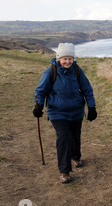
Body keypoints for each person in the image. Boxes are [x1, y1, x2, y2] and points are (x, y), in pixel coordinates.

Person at [33, 43, 97, 183]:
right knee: (64, 137)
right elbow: (40, 91)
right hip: (57, 111)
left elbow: (87, 90)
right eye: (64, 58)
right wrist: (38, 106)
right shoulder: (50, 71)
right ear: (59, 58)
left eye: (70, 58)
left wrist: (92, 107)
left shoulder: (78, 71)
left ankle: (76, 157)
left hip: (76, 111)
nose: (67, 62)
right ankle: (64, 171)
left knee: (75, 135)